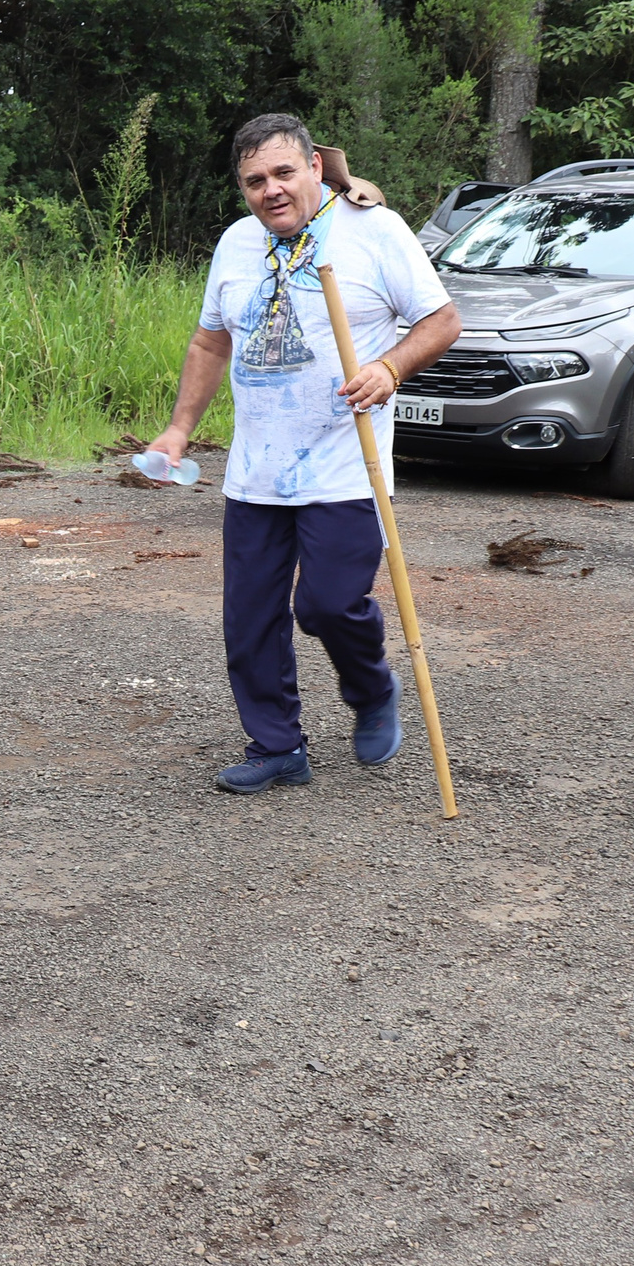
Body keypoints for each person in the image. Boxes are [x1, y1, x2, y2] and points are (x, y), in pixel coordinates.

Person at [142, 114, 462, 794]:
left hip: (346, 464)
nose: (271, 190)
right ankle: (277, 745)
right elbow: (209, 343)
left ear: (316, 166)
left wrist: (390, 368)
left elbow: (442, 321)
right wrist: (178, 429)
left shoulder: (373, 232)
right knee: (250, 618)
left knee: (326, 604)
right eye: (255, 180)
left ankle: (372, 688)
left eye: (284, 173)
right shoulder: (234, 245)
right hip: (257, 470)